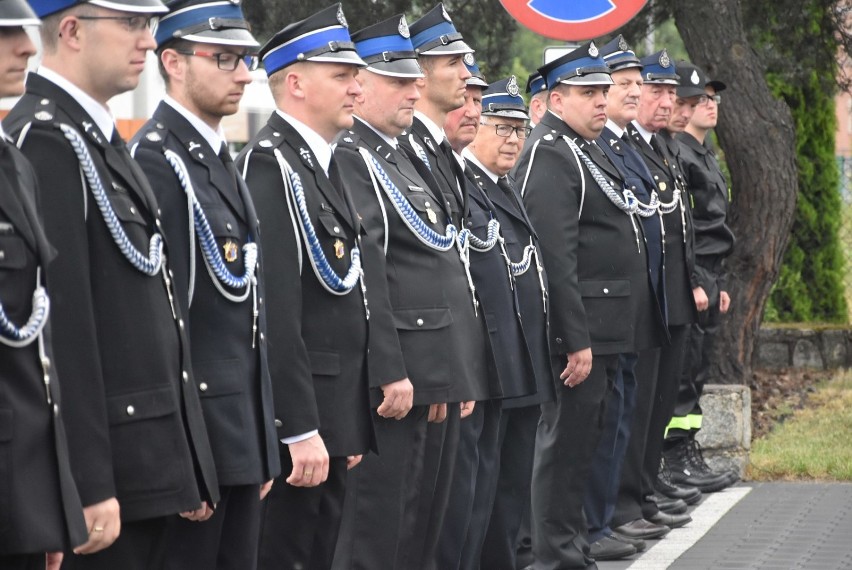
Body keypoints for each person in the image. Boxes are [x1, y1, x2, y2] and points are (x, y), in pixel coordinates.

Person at [5, 0, 220, 566]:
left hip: (145, 459)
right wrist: (84, 481)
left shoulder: (97, 137)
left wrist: (189, 456)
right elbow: (62, 327)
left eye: (147, 25)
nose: (148, 42)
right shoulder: (46, 139)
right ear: (72, 31)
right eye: (130, 23)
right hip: (109, 474)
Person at [129, 1, 280, 567]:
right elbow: (162, 326)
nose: (244, 73)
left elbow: (249, 320)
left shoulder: (217, 157)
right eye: (224, 59)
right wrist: (182, 453)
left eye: (246, 59)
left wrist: (260, 438)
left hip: (238, 436)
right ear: (173, 61)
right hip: (200, 445)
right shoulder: (157, 161)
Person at [235, 5, 375, 569]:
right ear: (295, 83)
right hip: (307, 422)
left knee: (317, 554)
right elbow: (276, 313)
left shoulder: (321, 163)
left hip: (335, 413)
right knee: (286, 554)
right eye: (341, 76)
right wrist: (297, 428)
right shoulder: (271, 167)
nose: (356, 86)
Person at [514, 41, 659, 569]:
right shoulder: (550, 152)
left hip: (604, 327)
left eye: (604, 91)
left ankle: (572, 548)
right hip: (579, 336)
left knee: (581, 451)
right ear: (555, 99)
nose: (602, 101)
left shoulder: (582, 147)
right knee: (563, 451)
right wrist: (573, 339)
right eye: (589, 92)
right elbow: (555, 259)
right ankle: (556, 556)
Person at [400, 5, 497, 566]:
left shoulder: (437, 155)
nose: (465, 74)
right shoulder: (403, 154)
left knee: (451, 514)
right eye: (453, 62)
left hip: (456, 364)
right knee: (421, 524)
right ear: (419, 70)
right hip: (426, 371)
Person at [0, 1, 87, 568]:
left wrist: (47, 504)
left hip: (19, 493)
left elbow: (37, 355)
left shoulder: (13, 162)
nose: (28, 46)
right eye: (4, 33)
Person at [581, 35, 673, 562]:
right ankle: (604, 516)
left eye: (639, 84)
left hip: (633, 305)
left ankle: (618, 510)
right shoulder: (595, 150)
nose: (635, 93)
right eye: (625, 85)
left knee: (624, 414)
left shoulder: (629, 147)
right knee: (603, 421)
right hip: (606, 311)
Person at [464, 76, 555, 570]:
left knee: (513, 482)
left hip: (522, 363)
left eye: (520, 130)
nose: (513, 140)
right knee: (491, 491)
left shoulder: (505, 187)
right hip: (494, 365)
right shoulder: (466, 186)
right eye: (501, 128)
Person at [669, 62, 737, 484]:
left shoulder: (705, 155)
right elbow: (684, 229)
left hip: (711, 275)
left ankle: (687, 454)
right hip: (694, 277)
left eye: (713, 99)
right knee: (682, 373)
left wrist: (720, 281)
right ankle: (674, 460)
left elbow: (716, 226)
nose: (710, 106)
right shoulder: (679, 154)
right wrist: (694, 279)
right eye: (700, 100)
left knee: (697, 372)